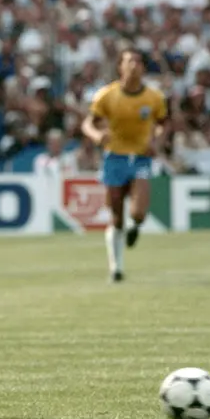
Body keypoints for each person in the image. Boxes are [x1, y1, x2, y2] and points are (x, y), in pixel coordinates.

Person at [82, 47, 168, 282]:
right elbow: (88, 124)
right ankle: (116, 268)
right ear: (120, 66)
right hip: (114, 158)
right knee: (116, 216)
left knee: (138, 211)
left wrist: (157, 141)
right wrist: (97, 136)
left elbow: (163, 124)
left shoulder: (154, 97)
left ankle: (136, 226)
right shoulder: (107, 95)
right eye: (129, 61)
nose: (134, 65)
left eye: (139, 61)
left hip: (140, 157)